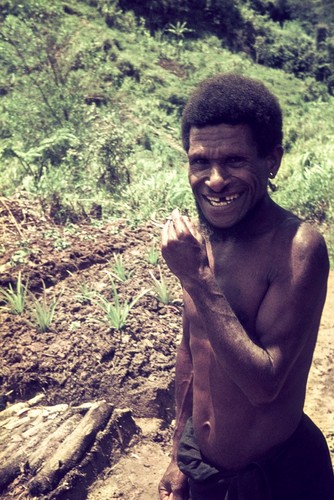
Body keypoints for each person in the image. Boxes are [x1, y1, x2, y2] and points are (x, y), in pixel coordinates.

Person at [158, 73, 334, 500]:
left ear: (270, 161)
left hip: (276, 479)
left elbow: (264, 385)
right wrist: (180, 454)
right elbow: (192, 352)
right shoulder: (202, 239)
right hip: (206, 471)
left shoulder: (296, 247)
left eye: (234, 160)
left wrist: (198, 280)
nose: (215, 179)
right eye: (200, 161)